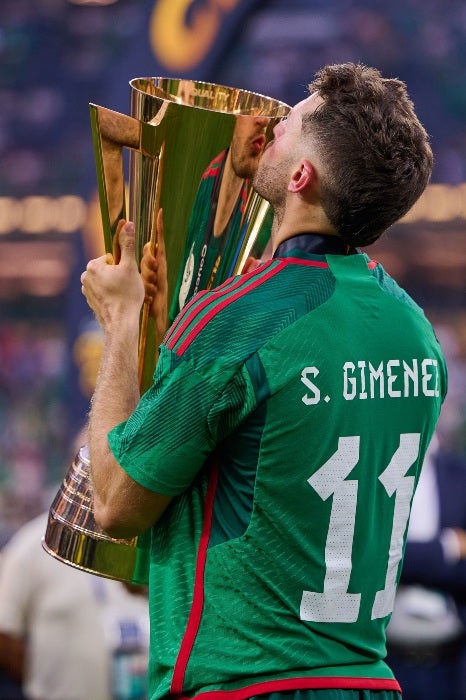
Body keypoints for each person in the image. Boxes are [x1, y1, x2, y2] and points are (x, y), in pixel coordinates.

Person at [81, 63, 447, 700]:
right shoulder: (415, 332)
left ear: (301, 177)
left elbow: (114, 504)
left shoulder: (241, 320)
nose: (271, 128)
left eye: (289, 126)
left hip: (246, 681)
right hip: (369, 682)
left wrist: (120, 323)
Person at [386, 434, 466, 700]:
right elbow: (372, 557)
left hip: (448, 662)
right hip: (387, 659)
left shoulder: (458, 475)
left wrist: (407, 559)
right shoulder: (374, 472)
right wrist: (449, 547)